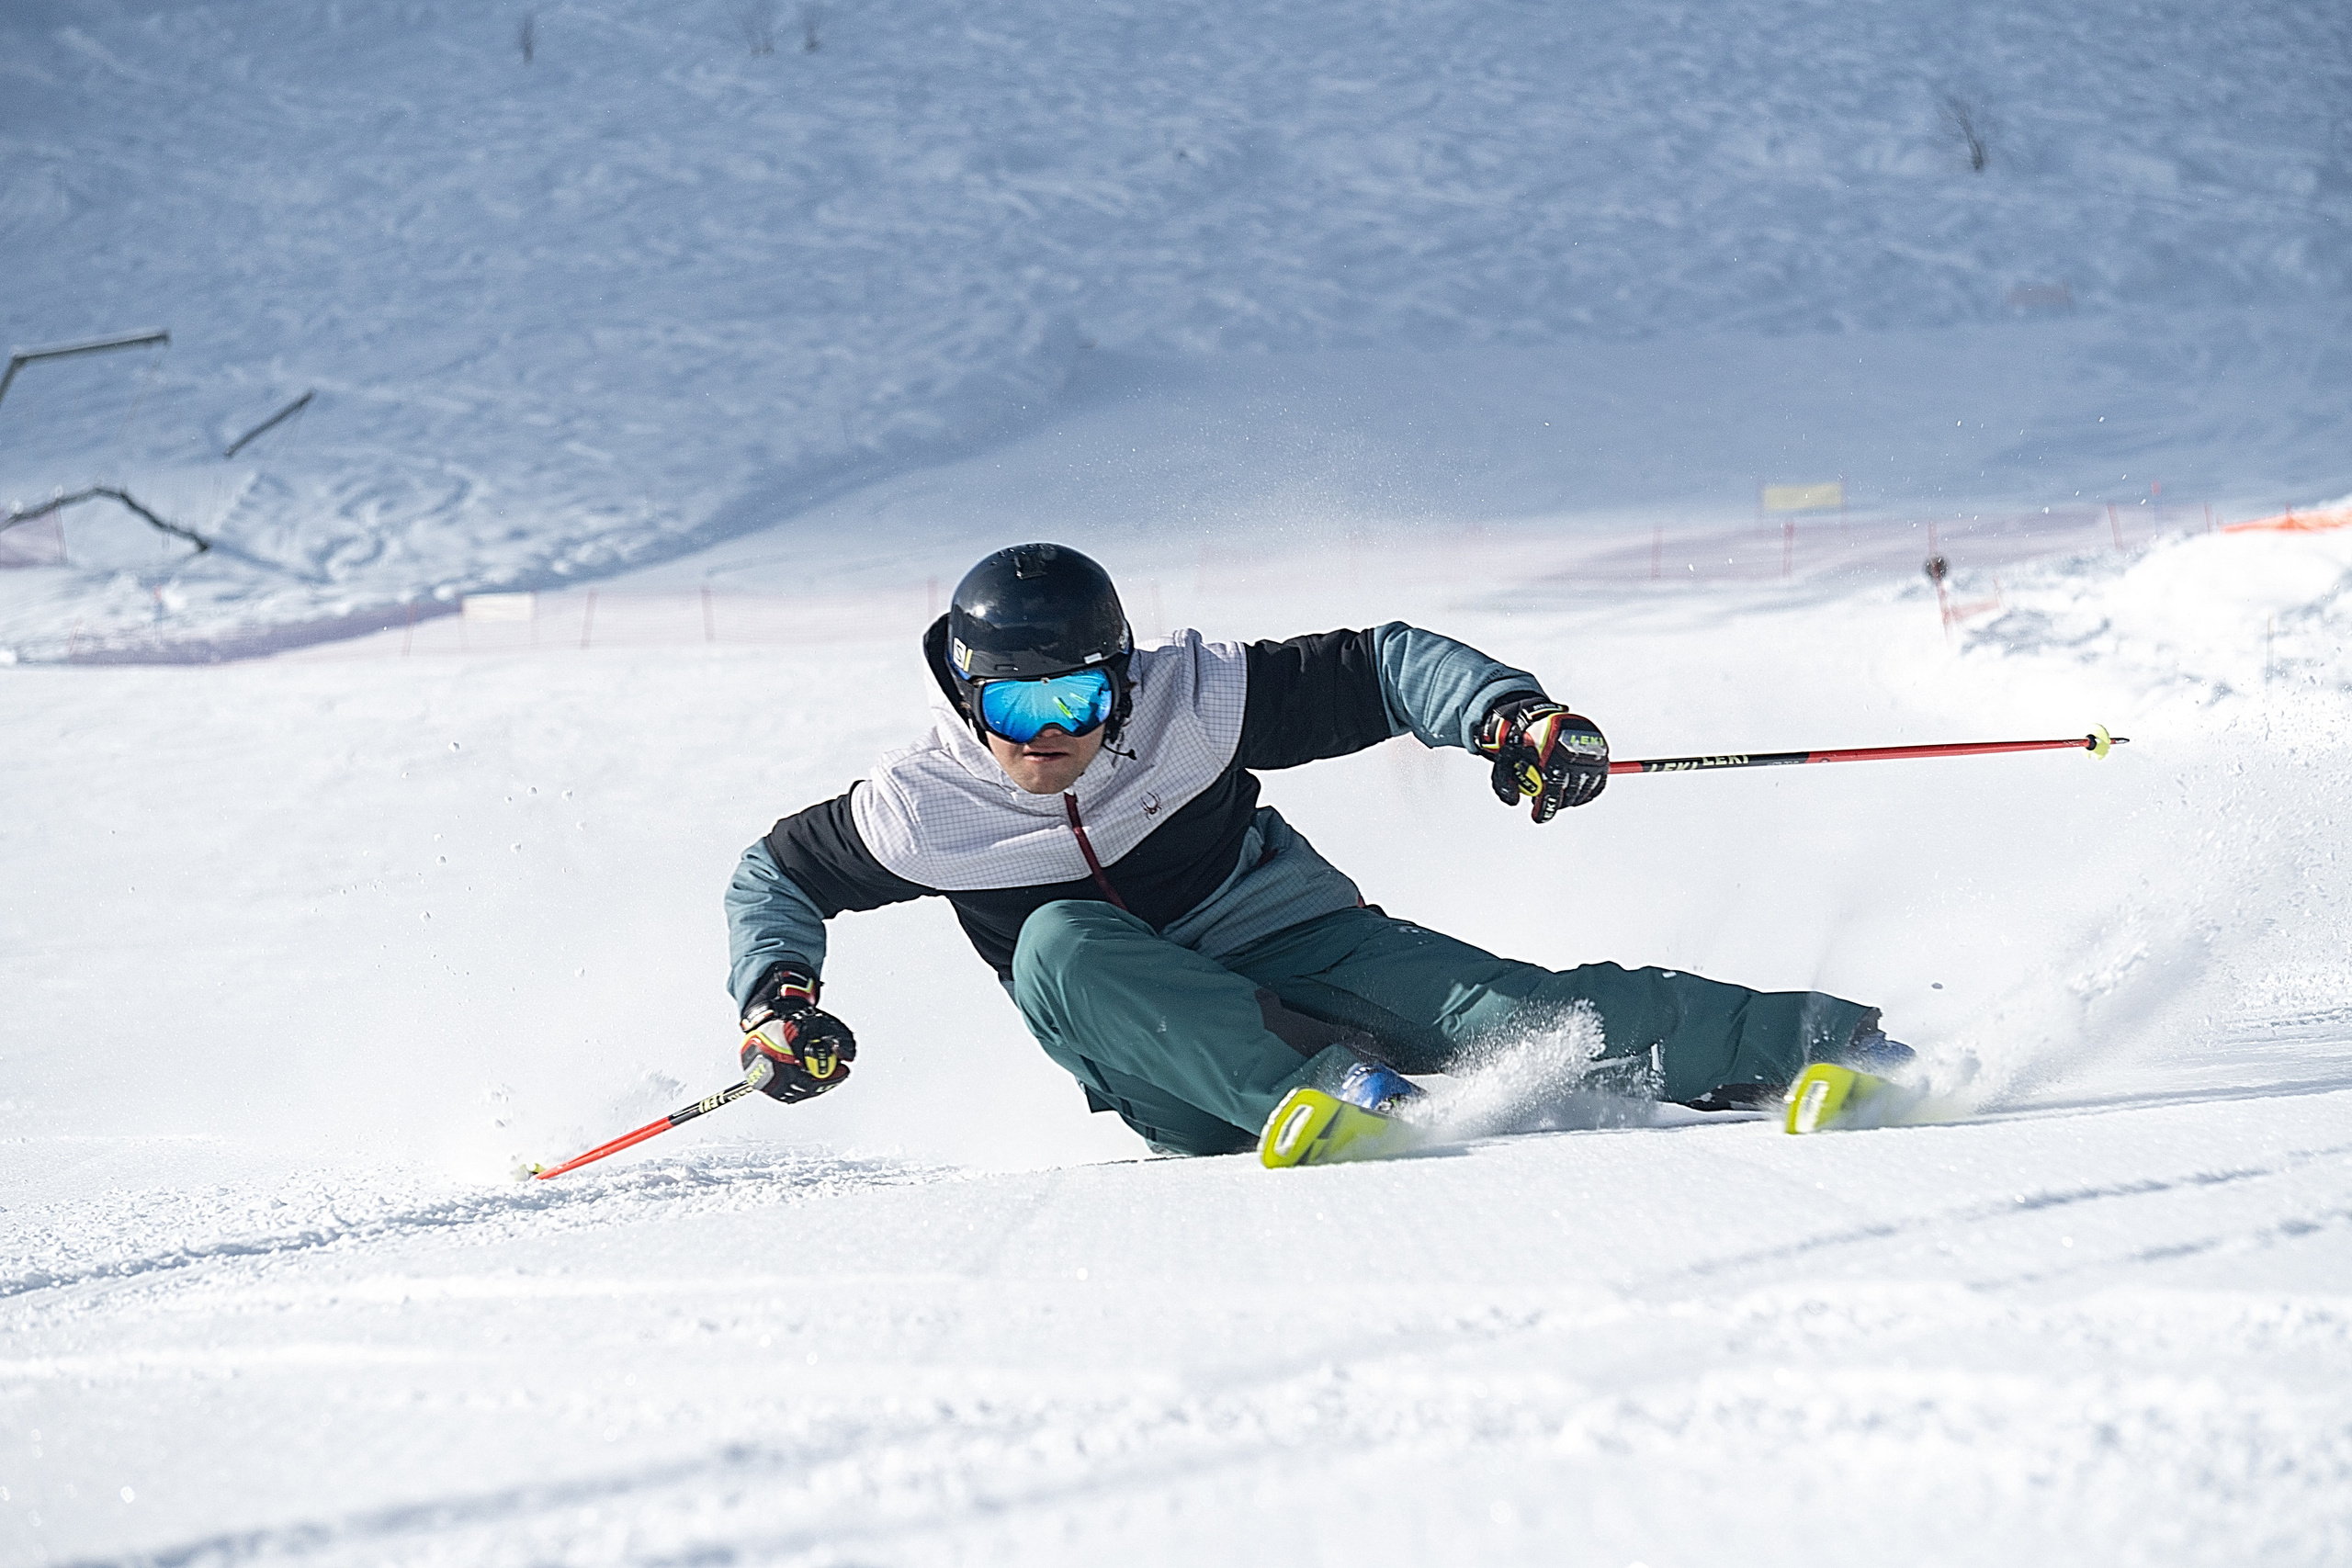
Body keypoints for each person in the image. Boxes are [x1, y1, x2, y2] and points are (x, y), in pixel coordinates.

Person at [725, 542, 1906, 1160]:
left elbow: (1381, 665)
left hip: (1295, 943)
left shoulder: (1193, 698)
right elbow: (774, 876)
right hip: (1173, 1070)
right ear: (965, 697)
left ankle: (1820, 1042)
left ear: (1121, 675)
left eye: (1080, 700)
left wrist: (1511, 717)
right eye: (1018, 711)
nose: (1056, 739)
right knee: (1057, 942)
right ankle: (1332, 1096)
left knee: (1509, 1010)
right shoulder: (922, 805)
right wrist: (776, 1000)